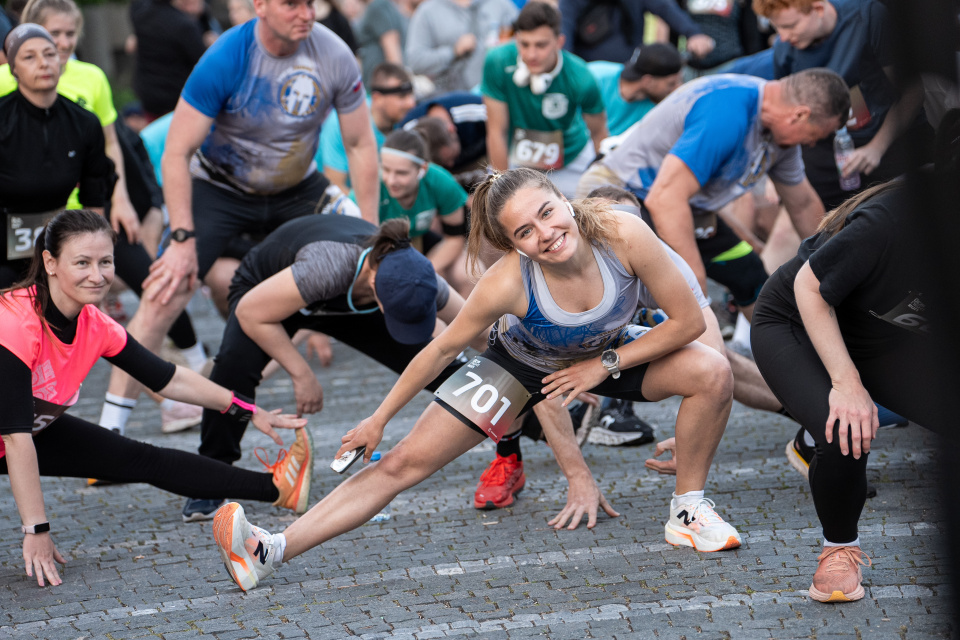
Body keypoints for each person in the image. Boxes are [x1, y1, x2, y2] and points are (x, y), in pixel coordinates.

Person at [212, 167, 743, 592]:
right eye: (525, 232)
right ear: (512, 244)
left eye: (548, 212)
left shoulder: (622, 232)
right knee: (402, 463)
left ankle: (688, 508)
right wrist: (378, 419)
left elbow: (690, 322)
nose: (546, 234)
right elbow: (440, 347)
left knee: (713, 371)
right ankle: (269, 550)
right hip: (519, 365)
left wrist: (601, 367)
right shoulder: (507, 281)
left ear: (564, 199)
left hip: (599, 359)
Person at [0, 209, 312, 588]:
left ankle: (278, 489)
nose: (97, 275)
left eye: (105, 262)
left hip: (26, 432)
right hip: (15, 435)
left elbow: (167, 378)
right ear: (50, 262)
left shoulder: (94, 325)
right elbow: (16, 438)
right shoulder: (14, 322)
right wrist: (36, 530)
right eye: (82, 262)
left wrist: (248, 410)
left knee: (141, 459)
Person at [179, 214, 478, 520]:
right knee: (233, 368)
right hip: (266, 295)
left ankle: (525, 426)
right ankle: (210, 480)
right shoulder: (328, 265)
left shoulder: (419, 276)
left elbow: (476, 325)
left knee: (452, 371)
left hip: (344, 300)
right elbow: (250, 312)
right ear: (376, 285)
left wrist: (518, 369)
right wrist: (301, 373)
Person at [2, 0, 213, 434]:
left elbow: (101, 176)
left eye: (57, 47)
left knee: (152, 270)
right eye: (35, 53)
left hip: (66, 227)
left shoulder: (81, 118)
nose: (50, 58)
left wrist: (104, 231)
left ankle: (186, 372)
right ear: (12, 64)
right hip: (7, 233)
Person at [751, 177, 945, 602]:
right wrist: (847, 382)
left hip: (887, 338)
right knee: (844, 428)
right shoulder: (893, 218)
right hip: (798, 319)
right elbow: (809, 288)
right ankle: (839, 549)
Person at [145, 0, 380, 320]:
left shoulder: (334, 54)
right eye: (291, 5)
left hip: (299, 187)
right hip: (221, 186)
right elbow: (176, 152)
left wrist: (371, 232)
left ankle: (452, 355)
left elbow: (359, 145)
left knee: (385, 266)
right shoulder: (228, 55)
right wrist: (182, 238)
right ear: (260, 6)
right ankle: (160, 361)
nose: (306, 14)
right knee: (166, 288)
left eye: (311, 4)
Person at [577, 69, 850, 322]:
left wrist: (835, 270)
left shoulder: (781, 135)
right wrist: (695, 285)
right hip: (622, 194)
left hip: (685, 206)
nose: (811, 144)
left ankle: (782, 352)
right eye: (815, 136)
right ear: (799, 115)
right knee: (686, 299)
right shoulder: (728, 113)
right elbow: (665, 199)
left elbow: (802, 205)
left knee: (751, 276)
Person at [753, 0, 934, 211]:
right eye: (777, 28)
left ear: (818, 9)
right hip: (826, 149)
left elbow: (911, 91)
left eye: (790, 26)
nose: (783, 36)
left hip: (890, 140)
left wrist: (876, 148)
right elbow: (783, 118)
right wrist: (780, 174)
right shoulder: (784, 49)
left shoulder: (868, 18)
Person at [481, 1, 608, 197]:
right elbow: (496, 130)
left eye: (541, 45)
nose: (531, 54)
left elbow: (599, 133)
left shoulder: (581, 75)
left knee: (596, 211)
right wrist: (502, 186)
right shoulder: (497, 62)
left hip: (572, 158)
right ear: (516, 40)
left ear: (559, 42)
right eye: (524, 44)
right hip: (517, 158)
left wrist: (603, 180)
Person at [374, 130, 468, 284]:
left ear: (422, 169)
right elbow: (358, 245)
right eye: (385, 170)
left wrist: (426, 270)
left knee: (465, 273)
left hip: (421, 241)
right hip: (380, 249)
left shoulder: (441, 181)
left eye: (401, 173)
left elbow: (455, 238)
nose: (391, 181)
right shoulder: (371, 189)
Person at [320, 63, 416, 194]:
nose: (411, 103)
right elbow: (336, 187)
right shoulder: (343, 123)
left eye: (411, 95)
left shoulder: (398, 118)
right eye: (402, 97)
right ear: (378, 98)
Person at [404, 0, 517, 94]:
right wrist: (453, 51)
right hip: (451, 100)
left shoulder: (500, 5)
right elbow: (415, 62)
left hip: (498, 96)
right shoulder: (427, 11)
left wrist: (507, 47)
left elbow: (525, 40)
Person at [559, 0, 714, 65]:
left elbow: (666, 8)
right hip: (593, 79)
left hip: (632, 74)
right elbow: (564, 31)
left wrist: (694, 34)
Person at [130, 0, 208, 121]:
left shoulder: (140, 16)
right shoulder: (184, 25)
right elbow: (203, 62)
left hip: (149, 97)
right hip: (177, 100)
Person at [588, 43, 684, 137]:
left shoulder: (656, 108)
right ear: (648, 81)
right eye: (671, 84)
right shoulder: (594, 78)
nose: (677, 88)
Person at [354, 0, 416, 88]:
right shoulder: (377, 5)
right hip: (380, 81)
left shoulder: (378, 5)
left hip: (384, 84)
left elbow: (391, 46)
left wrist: (399, 85)